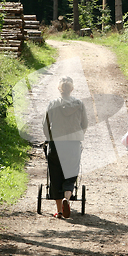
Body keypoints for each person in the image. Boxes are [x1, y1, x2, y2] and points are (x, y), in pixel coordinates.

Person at [43, 76, 88, 219]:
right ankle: (66, 199)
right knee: (70, 173)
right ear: (72, 89)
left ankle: (59, 211)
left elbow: (45, 126)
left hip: (56, 144)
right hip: (73, 144)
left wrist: (49, 139)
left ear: (59, 88)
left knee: (55, 175)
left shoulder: (52, 104)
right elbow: (85, 124)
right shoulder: (79, 104)